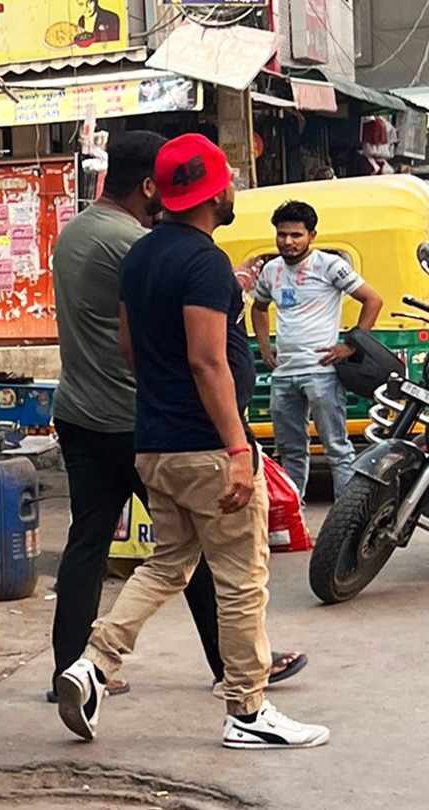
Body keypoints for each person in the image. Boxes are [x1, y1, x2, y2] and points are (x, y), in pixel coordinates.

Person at [58, 134, 328, 750]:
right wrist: (237, 449)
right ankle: (248, 711)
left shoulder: (143, 255)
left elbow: (130, 349)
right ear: (212, 191)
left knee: (168, 565)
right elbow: (209, 362)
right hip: (207, 447)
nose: (235, 186)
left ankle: (92, 664)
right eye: (229, 177)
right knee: (241, 580)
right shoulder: (203, 262)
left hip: (154, 443)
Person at [251, 200, 381, 499]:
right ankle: (293, 515)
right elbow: (259, 307)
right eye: (282, 234)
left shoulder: (330, 266)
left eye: (296, 235)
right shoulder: (272, 270)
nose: (288, 241)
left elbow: (372, 300)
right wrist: (263, 346)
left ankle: (345, 522)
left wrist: (350, 344)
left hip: (322, 371)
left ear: (312, 236)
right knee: (290, 451)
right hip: (284, 374)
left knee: (337, 448)